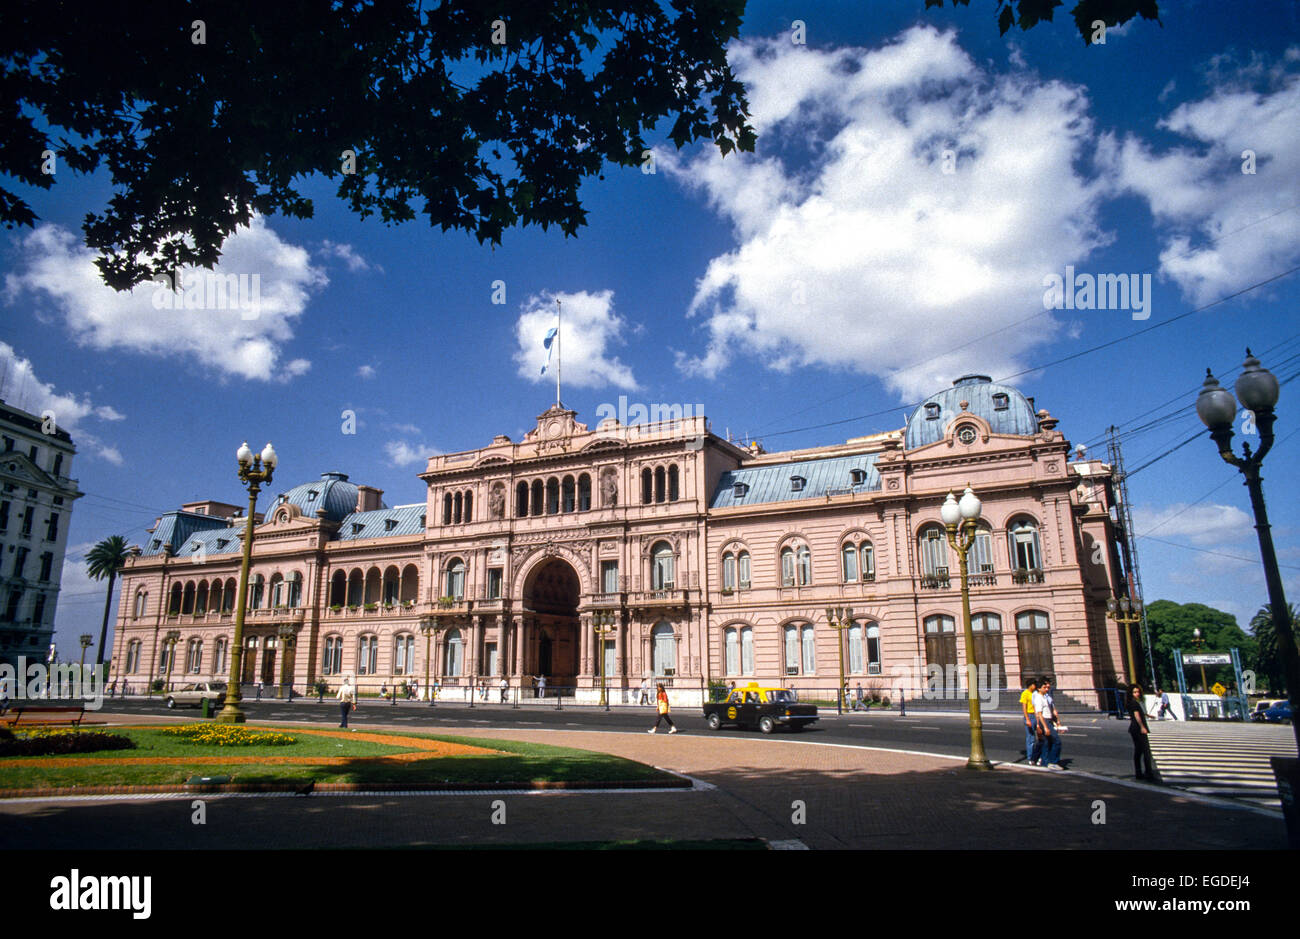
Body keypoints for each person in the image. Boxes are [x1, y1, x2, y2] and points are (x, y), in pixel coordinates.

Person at [1127, 682, 1157, 781]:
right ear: (1131, 693)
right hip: (1137, 728)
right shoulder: (1134, 703)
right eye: (1134, 692)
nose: (1137, 694)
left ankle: (1139, 773)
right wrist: (1142, 727)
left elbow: (1139, 713)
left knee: (1139, 751)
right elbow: (1137, 716)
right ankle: (1148, 773)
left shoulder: (1133, 702)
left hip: (1134, 728)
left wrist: (1147, 715)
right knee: (1146, 751)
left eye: (1138, 692)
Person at [1033, 677, 1063, 769]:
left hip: (1048, 720)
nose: (1047, 689)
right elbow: (1039, 714)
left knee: (1046, 743)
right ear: (1039, 688)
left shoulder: (1045, 697)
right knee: (1056, 741)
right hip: (1044, 721)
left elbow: (1052, 709)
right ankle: (1053, 761)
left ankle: (1045, 763)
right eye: (1044, 687)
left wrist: (1057, 721)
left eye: (1047, 687)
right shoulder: (1038, 698)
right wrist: (1044, 727)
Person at [1020, 678, 1041, 765]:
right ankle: (1031, 757)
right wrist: (1027, 719)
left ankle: (1039, 756)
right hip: (1030, 715)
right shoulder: (1025, 693)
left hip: (1037, 715)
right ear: (1031, 685)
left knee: (1041, 738)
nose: (1035, 686)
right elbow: (1024, 707)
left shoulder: (1036, 693)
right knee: (1031, 738)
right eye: (1034, 684)